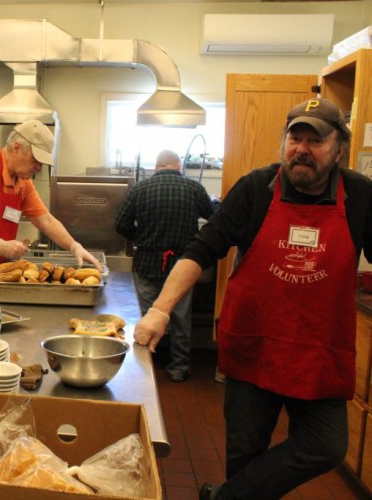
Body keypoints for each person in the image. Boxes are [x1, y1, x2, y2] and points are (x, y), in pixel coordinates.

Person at [133, 97, 372, 499]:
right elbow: (201, 249)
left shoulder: (361, 196)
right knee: (245, 456)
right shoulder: (256, 189)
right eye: (295, 138)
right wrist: (160, 310)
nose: (302, 149)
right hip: (254, 347)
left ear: (338, 148)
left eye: (315, 141)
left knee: (325, 446)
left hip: (319, 351)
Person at [0, 120, 102, 310]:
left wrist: (74, 246)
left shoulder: (23, 182)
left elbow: (45, 220)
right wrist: (0, 246)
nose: (39, 168)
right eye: (36, 160)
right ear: (16, 148)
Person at [115, 149, 215, 382]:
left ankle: (144, 366)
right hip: (182, 266)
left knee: (145, 317)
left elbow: (120, 224)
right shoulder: (194, 188)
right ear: (178, 165)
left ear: (157, 166)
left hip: (147, 262)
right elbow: (214, 219)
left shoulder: (139, 189)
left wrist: (140, 237)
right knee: (180, 318)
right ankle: (178, 368)